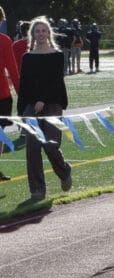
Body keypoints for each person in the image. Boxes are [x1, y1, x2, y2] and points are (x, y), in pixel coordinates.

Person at [17, 16, 72, 201]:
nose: (40, 34)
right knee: (32, 148)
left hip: (53, 103)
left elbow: (55, 81)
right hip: (31, 106)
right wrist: (21, 113)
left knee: (50, 145)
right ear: (32, 34)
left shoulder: (57, 56)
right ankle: (37, 190)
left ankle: (64, 171)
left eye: (43, 30)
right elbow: (23, 86)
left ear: (49, 33)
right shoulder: (27, 57)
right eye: (37, 31)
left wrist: (42, 99)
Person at [0, 30, 20, 181]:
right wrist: (22, 95)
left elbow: (12, 69)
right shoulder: (4, 40)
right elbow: (12, 70)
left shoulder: (5, 40)